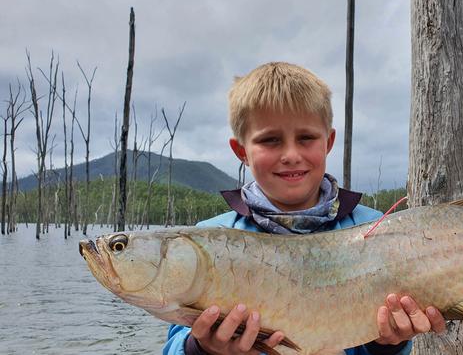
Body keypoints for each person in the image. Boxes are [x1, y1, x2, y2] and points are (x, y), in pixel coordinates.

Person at [163, 62, 446, 355]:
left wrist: (388, 344)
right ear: (241, 151)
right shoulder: (210, 238)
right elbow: (176, 341)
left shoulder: (379, 229)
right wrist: (202, 348)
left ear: (329, 142)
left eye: (306, 138)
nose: (291, 155)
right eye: (270, 140)